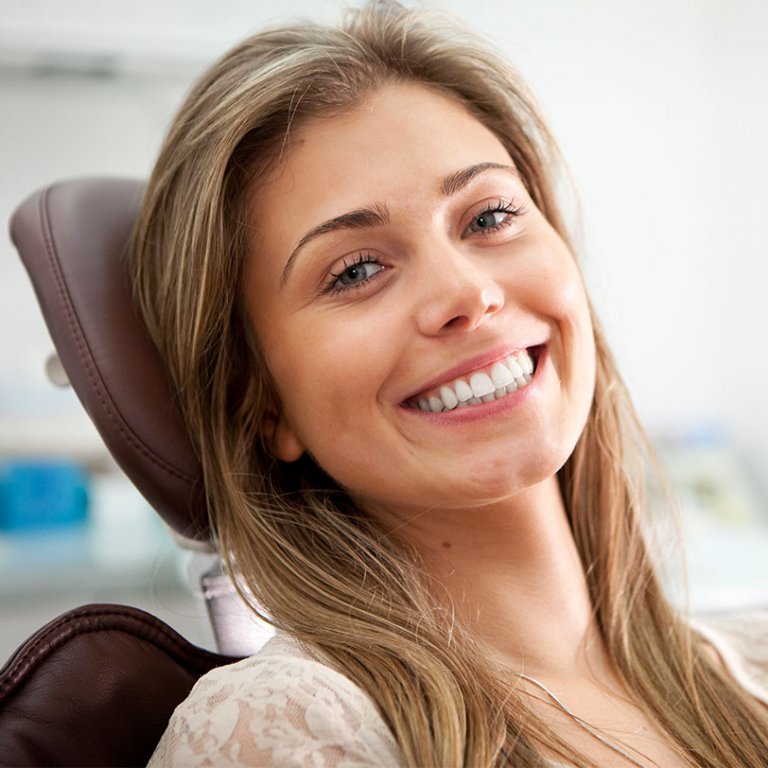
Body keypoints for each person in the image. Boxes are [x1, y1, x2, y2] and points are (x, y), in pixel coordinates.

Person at [131, 2, 768, 765]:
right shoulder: (284, 728)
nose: (467, 292)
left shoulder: (747, 668)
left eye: (490, 216)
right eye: (357, 270)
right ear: (260, 401)